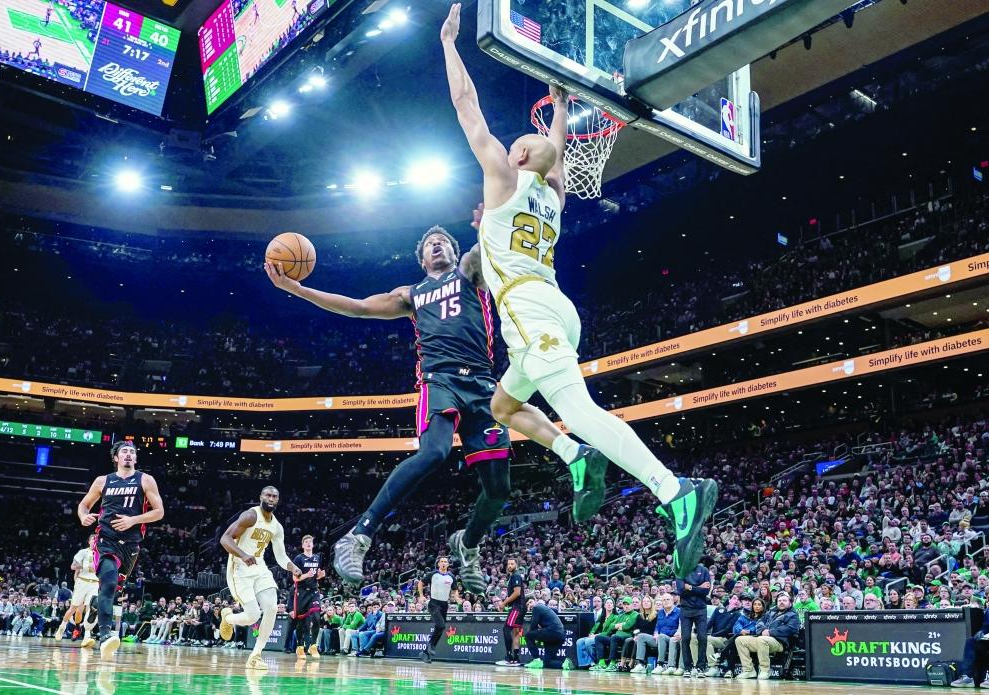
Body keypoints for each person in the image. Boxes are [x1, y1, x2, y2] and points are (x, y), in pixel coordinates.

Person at [439, 2, 717, 579]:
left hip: (529, 306)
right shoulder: (554, 196)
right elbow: (558, 156)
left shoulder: (504, 178)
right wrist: (561, 111)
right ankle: (576, 457)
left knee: (580, 410)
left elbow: (467, 107)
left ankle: (675, 492)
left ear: (517, 156)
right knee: (503, 405)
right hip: (557, 308)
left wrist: (448, 43)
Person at [267, 225, 604, 594]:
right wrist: (297, 290)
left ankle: (469, 544)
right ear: (422, 258)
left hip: (481, 384)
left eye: (442, 241)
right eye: (429, 244)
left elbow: (487, 246)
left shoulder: (470, 273)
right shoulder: (411, 294)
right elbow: (359, 307)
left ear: (453, 252)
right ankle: (358, 536)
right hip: (439, 381)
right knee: (434, 452)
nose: (436, 244)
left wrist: (492, 218)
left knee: (499, 489)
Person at [77, 441, 164, 660]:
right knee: (107, 584)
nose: (128, 454)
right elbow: (84, 505)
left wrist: (133, 520)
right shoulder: (103, 481)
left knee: (112, 591)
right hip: (106, 540)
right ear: (115, 458)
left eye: (132, 452)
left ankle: (95, 606)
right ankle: (106, 636)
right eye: (124, 451)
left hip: (131, 544)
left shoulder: (145, 479)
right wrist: (83, 516)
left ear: (135, 458)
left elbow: (159, 512)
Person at [218, 486, 303, 670]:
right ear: (261, 497)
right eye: (268, 495)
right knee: (252, 616)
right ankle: (228, 618)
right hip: (239, 569)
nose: (271, 499)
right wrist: (242, 554)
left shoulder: (276, 526)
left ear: (278, 500)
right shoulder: (250, 516)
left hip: (260, 568)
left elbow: (280, 556)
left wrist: (293, 567)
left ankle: (256, 656)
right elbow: (225, 539)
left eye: (275, 496)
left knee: (272, 607)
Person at [735, 592, 800, 680]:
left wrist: (770, 632)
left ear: (790, 603)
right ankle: (748, 670)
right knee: (740, 640)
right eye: (779, 600)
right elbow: (759, 621)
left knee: (762, 639)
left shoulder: (793, 615)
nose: (781, 602)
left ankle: (765, 670)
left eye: (784, 600)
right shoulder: (771, 612)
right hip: (763, 639)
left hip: (780, 642)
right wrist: (763, 630)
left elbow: (790, 629)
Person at [55, 535, 100, 646]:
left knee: (91, 609)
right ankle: (62, 626)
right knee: (74, 609)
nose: (95, 540)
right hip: (82, 582)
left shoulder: (101, 554)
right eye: (93, 538)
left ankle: (87, 636)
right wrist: (86, 566)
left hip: (94, 583)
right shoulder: (83, 552)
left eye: (97, 539)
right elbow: (73, 566)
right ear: (89, 541)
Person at [416, 557, 460, 663]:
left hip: (444, 604)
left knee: (440, 628)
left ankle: (426, 652)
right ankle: (430, 645)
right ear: (438, 564)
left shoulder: (451, 577)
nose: (444, 563)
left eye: (445, 562)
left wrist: (457, 597)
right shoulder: (432, 574)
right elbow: (420, 583)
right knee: (441, 625)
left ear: (448, 564)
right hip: (434, 603)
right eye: (442, 562)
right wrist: (421, 596)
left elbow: (455, 590)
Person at [290, 535, 323, 659]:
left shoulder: (316, 558)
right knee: (301, 622)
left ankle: (313, 645)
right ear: (303, 545)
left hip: (314, 591)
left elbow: (317, 575)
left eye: (310, 542)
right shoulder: (299, 558)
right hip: (301, 592)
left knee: (316, 617)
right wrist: (306, 575)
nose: (309, 543)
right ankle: (300, 646)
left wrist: (320, 575)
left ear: (312, 544)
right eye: (306, 542)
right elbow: (295, 578)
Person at [677, 563, 711, 677]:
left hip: (701, 609)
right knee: (685, 638)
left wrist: (690, 587)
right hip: (686, 609)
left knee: (702, 637)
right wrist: (699, 587)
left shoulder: (704, 570)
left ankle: (701, 667)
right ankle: (688, 667)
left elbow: (706, 591)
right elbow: (681, 591)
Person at [496, 557, 525, 666]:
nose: (509, 566)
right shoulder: (513, 576)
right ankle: (516, 659)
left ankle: (509, 657)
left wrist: (504, 603)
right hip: (519, 607)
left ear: (516, 565)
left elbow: (517, 593)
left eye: (512, 564)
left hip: (517, 607)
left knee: (506, 629)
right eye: (508, 564)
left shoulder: (516, 576)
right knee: (515, 633)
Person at [572, 597, 613, 669]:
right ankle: (586, 663)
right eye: (607, 603)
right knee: (579, 641)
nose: (609, 605)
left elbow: (610, 631)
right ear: (604, 605)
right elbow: (595, 627)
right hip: (595, 636)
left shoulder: (615, 617)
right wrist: (592, 633)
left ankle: (596, 660)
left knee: (588, 641)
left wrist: (596, 635)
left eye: (611, 603)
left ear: (613, 606)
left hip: (605, 636)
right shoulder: (601, 616)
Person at [621, 595, 659, 673]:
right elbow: (636, 629)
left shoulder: (656, 615)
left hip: (650, 637)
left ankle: (632, 664)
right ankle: (622, 664)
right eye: (644, 602)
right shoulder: (639, 616)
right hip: (639, 636)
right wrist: (635, 636)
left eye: (648, 601)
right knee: (628, 640)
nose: (646, 603)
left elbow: (653, 630)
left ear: (651, 603)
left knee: (637, 642)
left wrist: (640, 636)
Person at [525, 599, 566, 669]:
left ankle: (536, 660)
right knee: (547, 662)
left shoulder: (536, 607)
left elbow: (533, 626)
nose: (530, 605)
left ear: (535, 601)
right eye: (527, 604)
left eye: (530, 602)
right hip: (560, 635)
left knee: (528, 635)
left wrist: (535, 635)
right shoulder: (545, 608)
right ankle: (564, 664)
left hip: (553, 631)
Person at [653, 592, 682, 675]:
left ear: (673, 601)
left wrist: (667, 632)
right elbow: (657, 625)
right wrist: (655, 633)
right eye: (664, 600)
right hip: (661, 637)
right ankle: (657, 665)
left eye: (668, 599)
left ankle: (666, 665)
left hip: (674, 637)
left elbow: (679, 628)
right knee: (643, 636)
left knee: (663, 636)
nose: (666, 601)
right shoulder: (661, 612)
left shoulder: (679, 612)